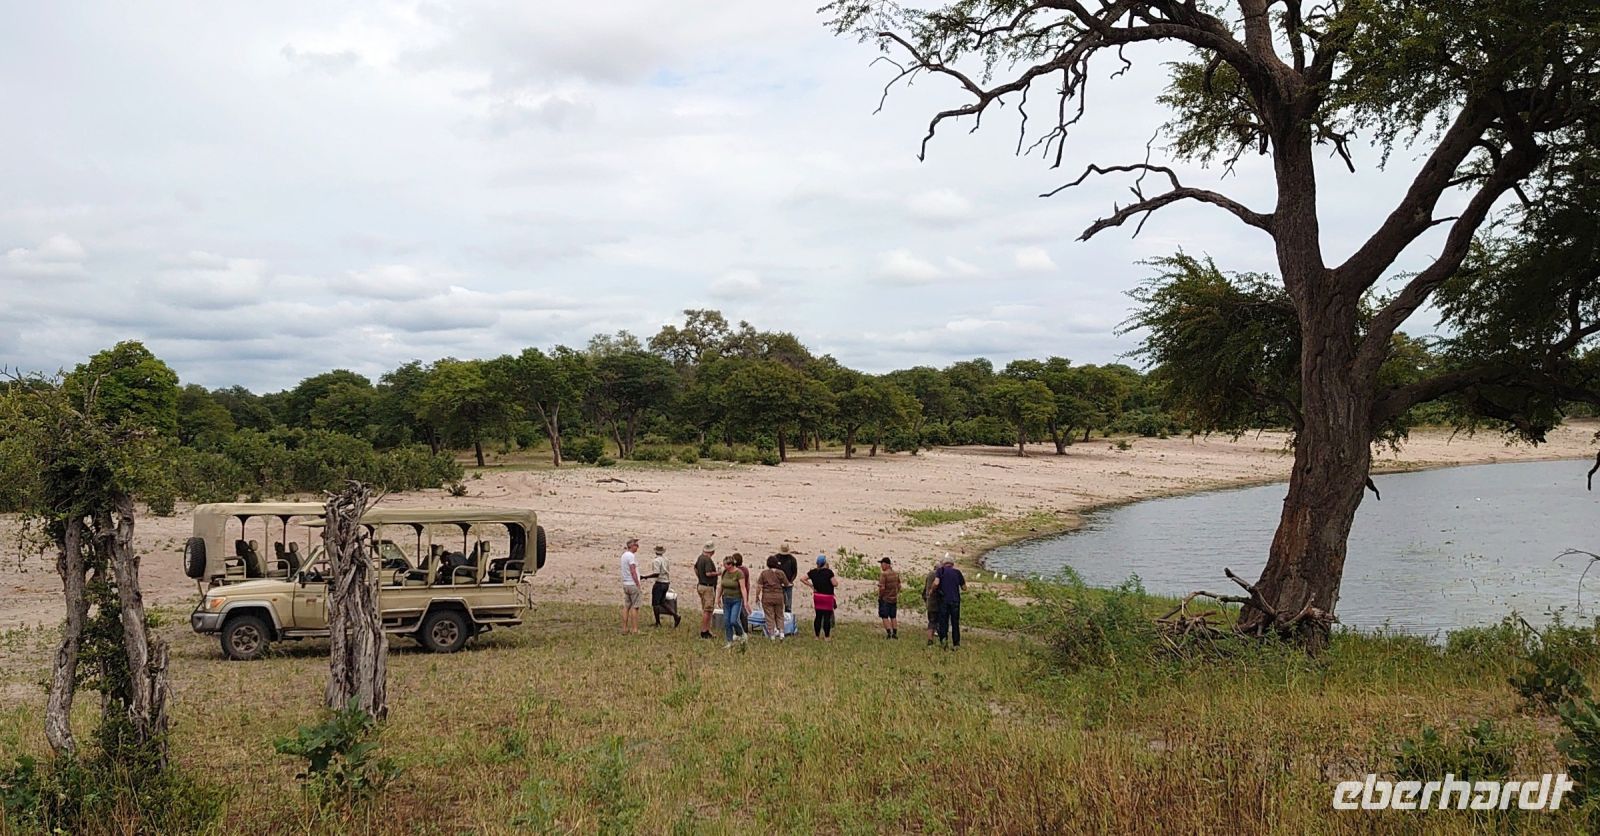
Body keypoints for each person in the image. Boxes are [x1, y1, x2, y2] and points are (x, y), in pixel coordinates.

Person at [640, 545, 680, 628]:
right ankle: (675, 615)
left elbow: (656, 573)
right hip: (666, 582)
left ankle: (658, 622)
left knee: (655, 604)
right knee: (662, 602)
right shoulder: (666, 559)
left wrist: (645, 577)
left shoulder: (656, 561)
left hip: (660, 583)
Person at [932, 556, 967, 649]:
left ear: (943, 564)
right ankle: (956, 644)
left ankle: (944, 642)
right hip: (955, 600)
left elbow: (936, 583)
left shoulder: (941, 571)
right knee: (955, 623)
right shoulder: (957, 572)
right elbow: (964, 588)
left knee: (943, 622)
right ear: (952, 564)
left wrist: (932, 590)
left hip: (944, 600)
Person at [802, 554, 837, 639]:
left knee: (818, 616)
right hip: (828, 597)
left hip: (817, 596)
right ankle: (827, 636)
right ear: (825, 563)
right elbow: (835, 583)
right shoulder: (829, 572)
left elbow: (803, 578)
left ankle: (817, 636)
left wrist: (812, 586)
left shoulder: (813, 572)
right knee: (826, 617)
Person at [720, 553, 750, 647]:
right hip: (726, 599)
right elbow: (721, 585)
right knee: (726, 621)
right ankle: (729, 641)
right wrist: (718, 597)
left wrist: (745, 601)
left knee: (733, 620)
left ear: (731, 565)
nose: (724, 566)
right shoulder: (724, 573)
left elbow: (743, 587)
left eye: (725, 564)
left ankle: (742, 634)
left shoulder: (739, 573)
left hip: (736, 599)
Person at [757, 555, 789, 641]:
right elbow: (786, 584)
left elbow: (759, 586)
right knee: (779, 615)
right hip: (778, 596)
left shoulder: (764, 573)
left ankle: (772, 635)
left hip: (767, 596)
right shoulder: (781, 573)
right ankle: (782, 633)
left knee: (769, 616)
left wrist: (757, 596)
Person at [693, 542, 720, 639]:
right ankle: (704, 631)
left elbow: (695, 568)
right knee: (708, 610)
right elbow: (708, 573)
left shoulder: (700, 557)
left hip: (701, 585)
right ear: (712, 551)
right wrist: (717, 573)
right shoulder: (707, 560)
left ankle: (707, 630)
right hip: (707, 587)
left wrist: (700, 578)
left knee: (706, 608)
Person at [619, 537, 642, 635]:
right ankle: (635, 629)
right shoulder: (631, 557)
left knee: (626, 606)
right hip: (632, 584)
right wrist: (637, 583)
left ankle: (624, 628)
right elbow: (633, 570)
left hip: (626, 583)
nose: (638, 547)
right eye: (636, 545)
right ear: (632, 546)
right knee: (635, 607)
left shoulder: (623, 555)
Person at [877, 557, 901, 639]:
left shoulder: (884, 574)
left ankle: (889, 632)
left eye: (882, 564)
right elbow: (899, 586)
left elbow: (882, 588)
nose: (881, 566)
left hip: (885, 599)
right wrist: (895, 593)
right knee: (893, 616)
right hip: (894, 598)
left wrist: (880, 596)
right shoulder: (895, 573)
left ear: (886, 564)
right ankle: (895, 632)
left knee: (884, 616)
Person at [772, 543, 799, 613]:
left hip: (788, 585)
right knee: (777, 603)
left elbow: (795, 572)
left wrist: (790, 581)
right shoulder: (775, 558)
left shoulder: (792, 559)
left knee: (788, 605)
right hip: (777, 584)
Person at [921, 563, 943, 646]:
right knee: (940, 622)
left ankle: (930, 640)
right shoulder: (939, 576)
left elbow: (924, 590)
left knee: (931, 622)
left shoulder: (929, 575)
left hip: (930, 602)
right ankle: (942, 640)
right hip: (938, 603)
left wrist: (926, 600)